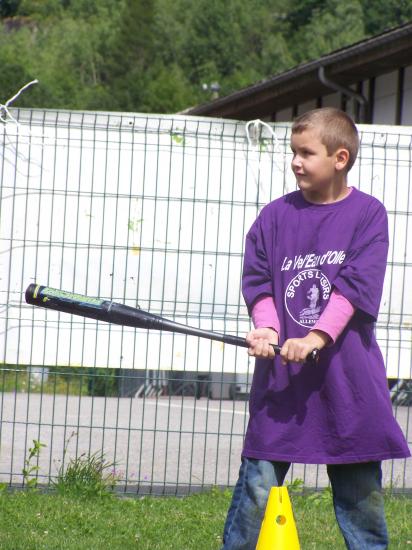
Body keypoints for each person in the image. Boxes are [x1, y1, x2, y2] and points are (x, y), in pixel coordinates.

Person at [222, 107, 410, 550]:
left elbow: (353, 289)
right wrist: (267, 329)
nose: (295, 161)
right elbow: (259, 281)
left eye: (306, 153)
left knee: (360, 497)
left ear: (340, 158)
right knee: (256, 487)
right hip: (283, 382)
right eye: (293, 152)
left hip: (348, 381)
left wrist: (313, 338)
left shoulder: (368, 215)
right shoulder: (274, 217)